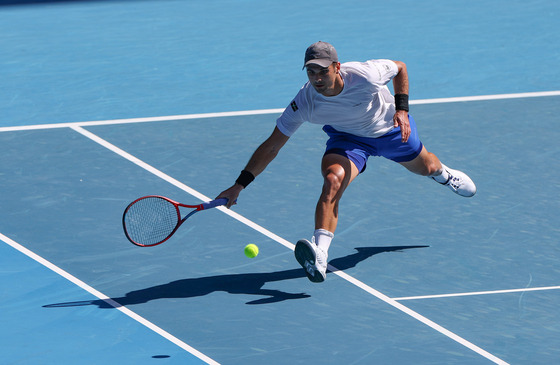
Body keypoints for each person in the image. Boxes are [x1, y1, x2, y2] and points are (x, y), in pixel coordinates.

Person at [217, 41, 476, 283]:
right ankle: (320, 253)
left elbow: (400, 68)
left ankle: (443, 175)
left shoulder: (366, 75)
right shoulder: (305, 101)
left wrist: (402, 110)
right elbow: (272, 145)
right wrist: (239, 185)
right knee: (332, 180)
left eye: (322, 71)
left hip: (389, 130)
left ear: (337, 67)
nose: (317, 78)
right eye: (311, 72)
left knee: (427, 166)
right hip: (348, 141)